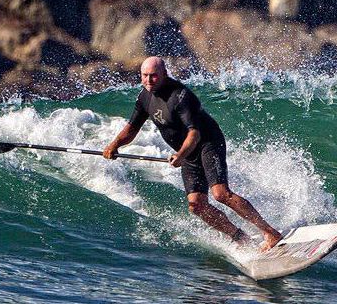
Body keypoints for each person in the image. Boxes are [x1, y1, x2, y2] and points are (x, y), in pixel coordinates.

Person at [103, 56, 282, 252]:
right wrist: (114, 145)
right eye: (144, 76)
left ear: (164, 74)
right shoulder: (144, 97)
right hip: (187, 153)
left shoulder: (181, 96)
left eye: (153, 76)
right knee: (196, 205)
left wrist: (180, 155)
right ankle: (241, 238)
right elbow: (131, 128)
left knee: (220, 194)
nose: (148, 80)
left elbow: (194, 134)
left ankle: (270, 233)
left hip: (207, 143)